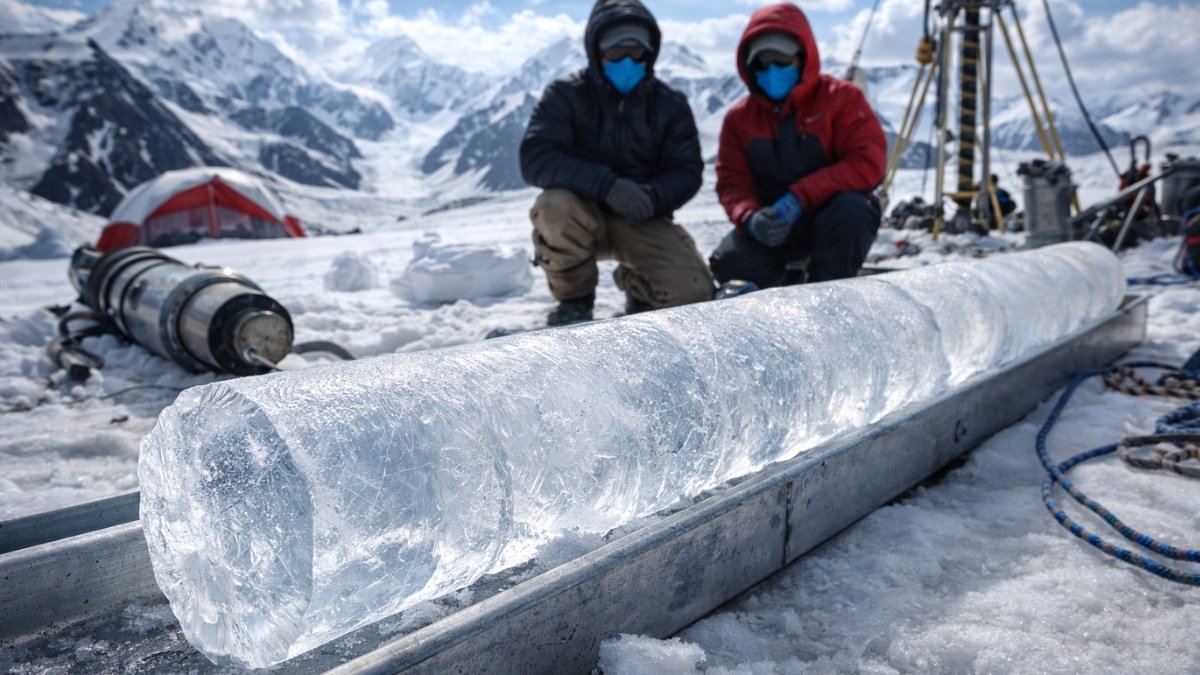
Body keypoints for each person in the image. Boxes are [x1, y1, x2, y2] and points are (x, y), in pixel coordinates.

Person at [519, 0, 714, 326]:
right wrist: (607, 186)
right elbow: (535, 157)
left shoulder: (670, 104)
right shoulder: (565, 95)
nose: (627, 60)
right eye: (615, 52)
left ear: (650, 53)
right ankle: (574, 302)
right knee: (553, 206)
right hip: (579, 215)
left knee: (693, 294)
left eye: (636, 51)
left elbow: (687, 170)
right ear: (597, 52)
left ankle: (637, 284)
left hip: (642, 216)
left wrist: (652, 198)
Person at [710, 3, 887, 289]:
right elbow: (732, 182)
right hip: (772, 227)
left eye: (781, 61)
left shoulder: (842, 99)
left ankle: (830, 299)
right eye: (762, 64)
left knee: (851, 214)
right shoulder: (738, 118)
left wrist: (800, 197)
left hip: (829, 219)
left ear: (803, 58)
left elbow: (868, 163)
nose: (772, 71)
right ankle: (767, 307)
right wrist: (751, 217)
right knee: (730, 261)